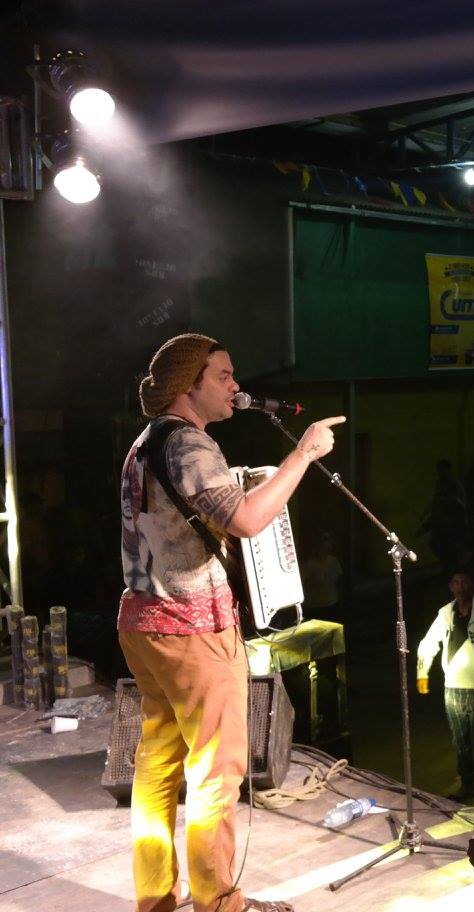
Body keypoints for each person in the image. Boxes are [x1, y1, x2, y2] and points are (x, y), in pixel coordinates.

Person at [118, 333, 343, 912]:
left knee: (159, 766)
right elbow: (244, 521)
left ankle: (156, 897)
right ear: (187, 385)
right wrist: (303, 455)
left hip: (144, 623)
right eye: (223, 375)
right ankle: (218, 902)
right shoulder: (190, 445)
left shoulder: (146, 442)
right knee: (215, 774)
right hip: (192, 630)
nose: (236, 386)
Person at [416, 569, 474, 804]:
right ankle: (467, 785)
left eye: (464, 582)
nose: (460, 587)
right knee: (460, 742)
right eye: (456, 583)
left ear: (472, 585)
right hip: (452, 687)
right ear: (451, 587)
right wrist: (422, 673)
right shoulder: (446, 613)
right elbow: (429, 642)